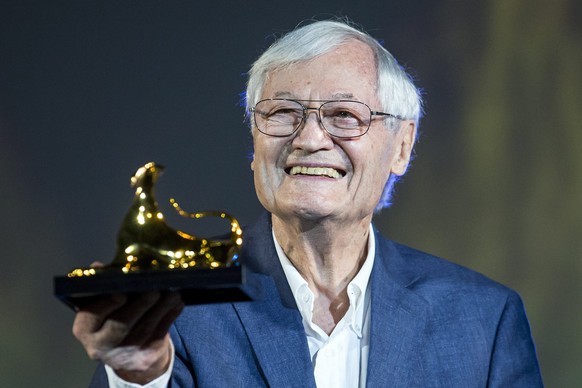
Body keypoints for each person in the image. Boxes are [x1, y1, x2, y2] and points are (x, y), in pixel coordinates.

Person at [73, 19, 543, 387]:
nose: (311, 138)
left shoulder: (482, 320)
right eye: (283, 113)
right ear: (254, 141)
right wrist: (138, 376)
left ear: (401, 146)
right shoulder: (174, 306)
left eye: (344, 115)